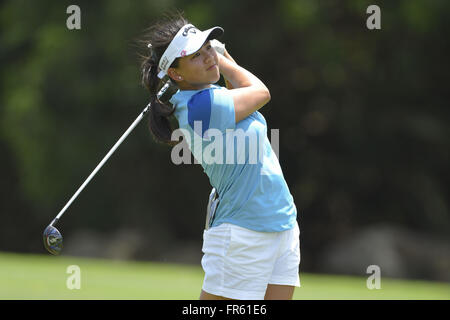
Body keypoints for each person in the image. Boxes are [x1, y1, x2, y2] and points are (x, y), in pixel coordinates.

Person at [140, 12, 300, 300]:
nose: (208, 57)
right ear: (176, 73)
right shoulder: (201, 107)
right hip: (242, 233)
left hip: (282, 224)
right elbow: (260, 91)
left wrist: (216, 57)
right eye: (196, 56)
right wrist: (222, 58)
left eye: (207, 49)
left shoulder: (209, 95)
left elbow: (236, 87)